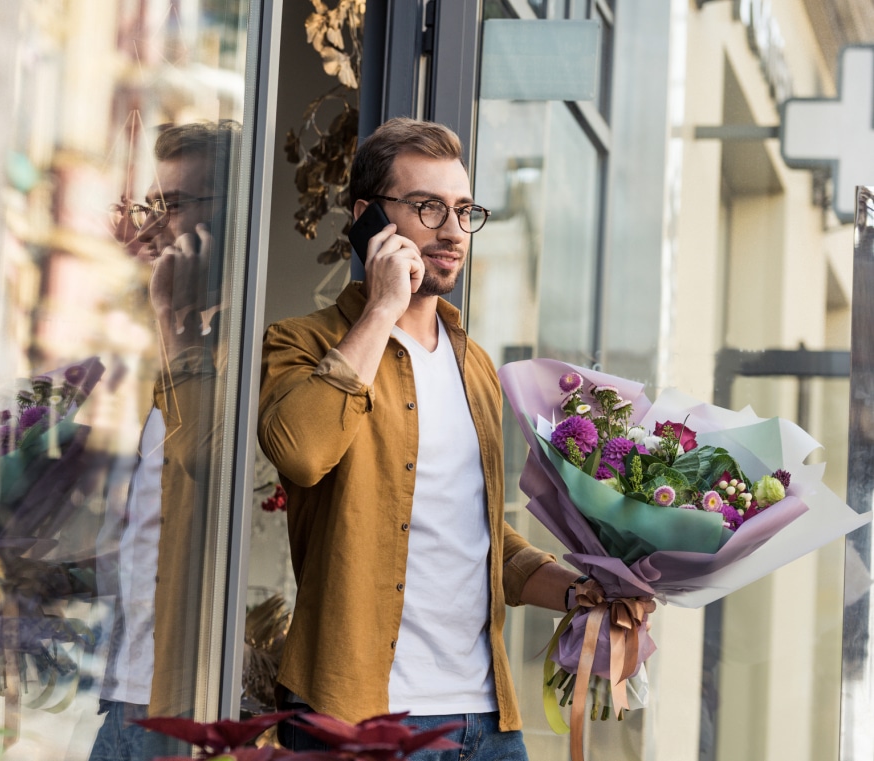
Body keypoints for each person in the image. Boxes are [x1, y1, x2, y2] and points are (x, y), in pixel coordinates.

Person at [258, 118, 603, 760]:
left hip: (485, 723)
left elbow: (480, 543)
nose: (451, 231)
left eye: (464, 210)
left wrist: (582, 591)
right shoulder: (300, 342)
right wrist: (382, 308)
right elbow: (302, 453)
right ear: (368, 219)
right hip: (358, 721)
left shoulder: (475, 365)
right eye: (428, 208)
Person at [90, 119, 237, 761]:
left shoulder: (246, 352)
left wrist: (174, 323)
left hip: (177, 699)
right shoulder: (155, 351)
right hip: (122, 685)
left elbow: (204, 462)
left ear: (227, 216)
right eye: (155, 204)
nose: (151, 227)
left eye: (173, 206)